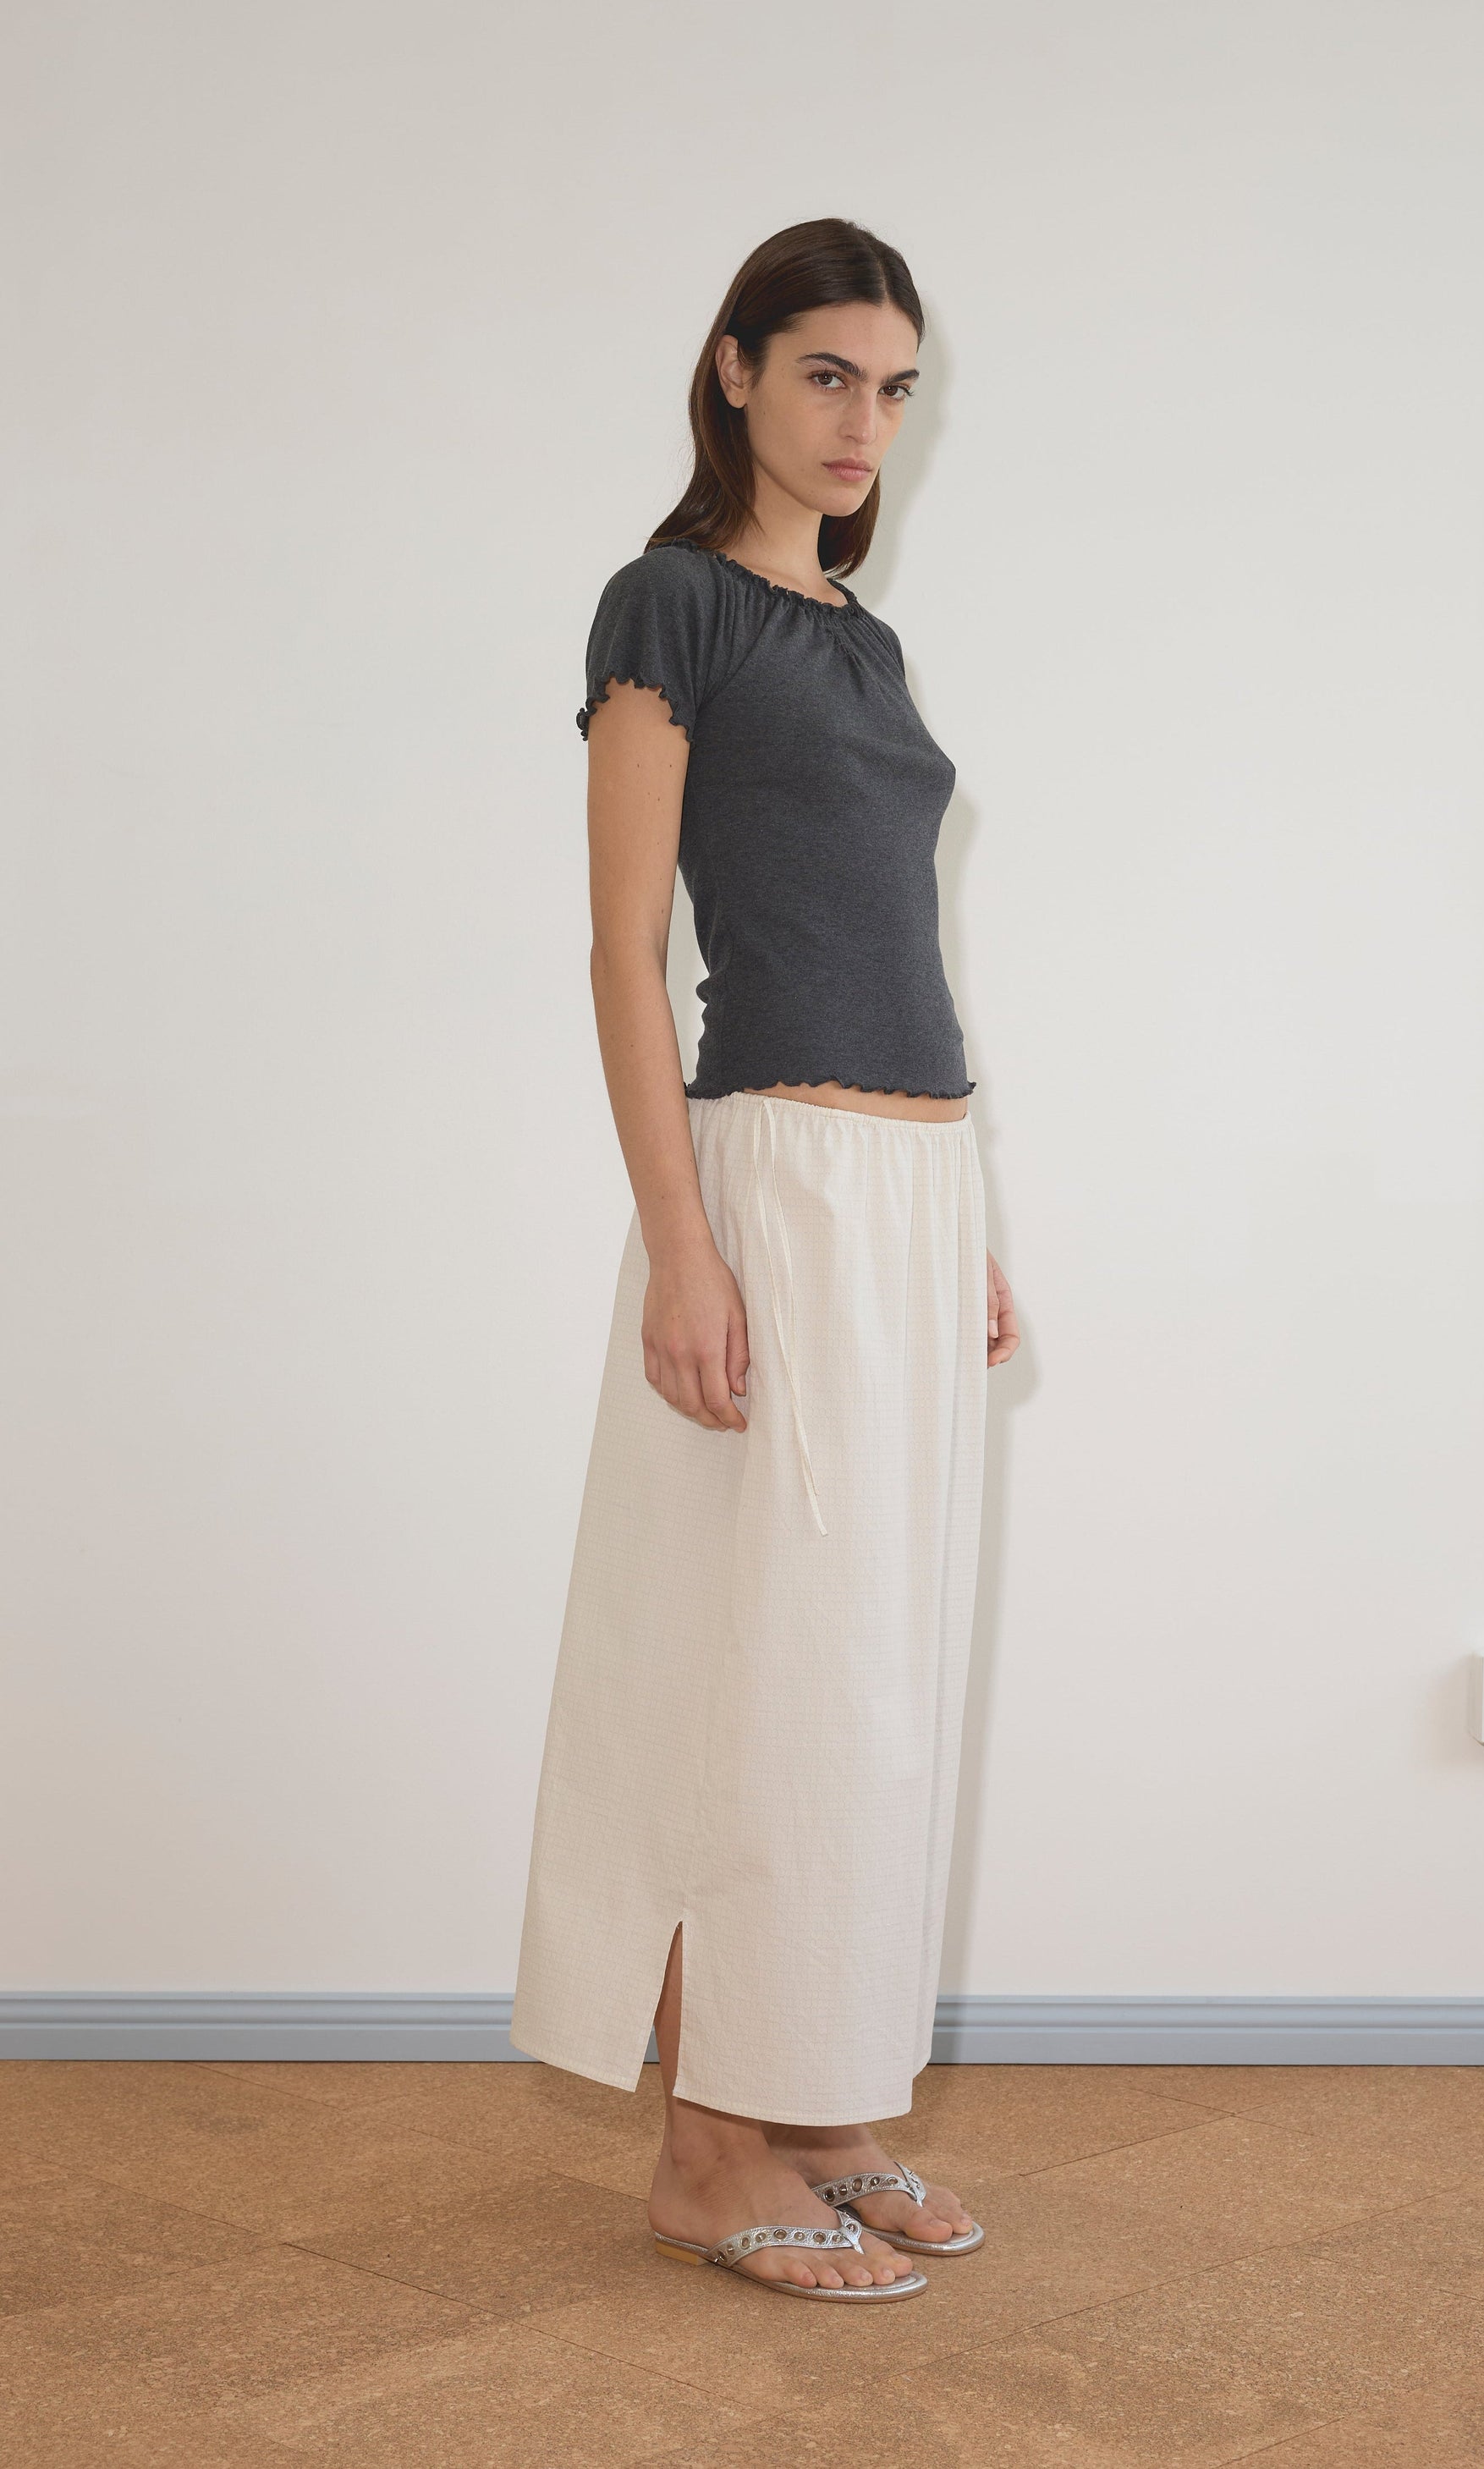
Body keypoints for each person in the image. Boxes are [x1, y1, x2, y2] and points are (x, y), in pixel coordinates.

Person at [509, 216, 1020, 2304]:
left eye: (892, 387)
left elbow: (906, 943)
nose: (861, 421)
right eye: (826, 373)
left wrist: (977, 1227)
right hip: (779, 1183)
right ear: (734, 371)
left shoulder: (868, 647)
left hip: (916, 1190)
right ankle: (709, 2142)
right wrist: (680, 1242)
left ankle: (817, 2093)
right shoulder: (670, 608)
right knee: (763, 1662)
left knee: (869, 1682)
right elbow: (627, 951)